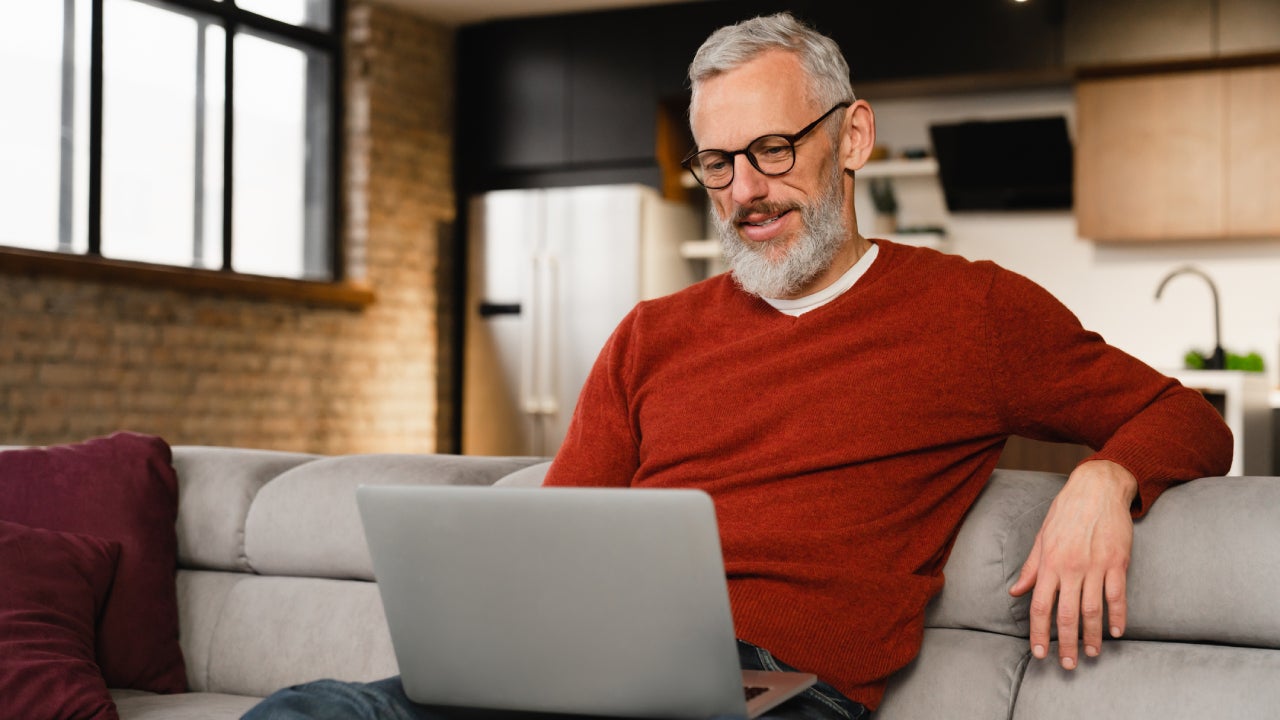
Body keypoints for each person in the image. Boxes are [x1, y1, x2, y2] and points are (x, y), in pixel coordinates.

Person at [244, 11, 1232, 720]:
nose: (743, 193)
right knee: (303, 714)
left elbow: (1186, 414)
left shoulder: (971, 311)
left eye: (768, 150)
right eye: (716, 164)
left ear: (851, 137)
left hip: (780, 693)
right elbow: (556, 544)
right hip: (591, 675)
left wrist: (1106, 478)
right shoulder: (648, 335)